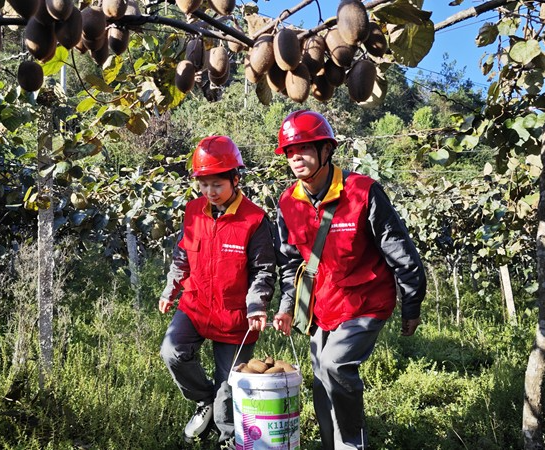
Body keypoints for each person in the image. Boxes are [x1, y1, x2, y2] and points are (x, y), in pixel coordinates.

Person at [271, 110, 427, 450]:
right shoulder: (288, 203)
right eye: (289, 151)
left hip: (367, 300)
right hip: (322, 305)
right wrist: (287, 306)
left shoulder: (363, 192)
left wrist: (411, 304)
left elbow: (400, 250)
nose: (296, 157)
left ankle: (353, 444)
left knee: (334, 364)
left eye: (305, 148)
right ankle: (333, 445)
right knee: (320, 379)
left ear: (327, 150)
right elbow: (290, 264)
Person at [159, 135, 276, 450]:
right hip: (195, 305)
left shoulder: (254, 220)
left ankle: (228, 440)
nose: (209, 192)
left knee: (229, 390)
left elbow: (263, 270)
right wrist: (172, 287)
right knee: (172, 353)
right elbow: (183, 253)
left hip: (234, 315)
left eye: (217, 185)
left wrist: (257, 306)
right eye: (204, 184)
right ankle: (202, 399)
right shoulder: (194, 210)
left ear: (235, 180)